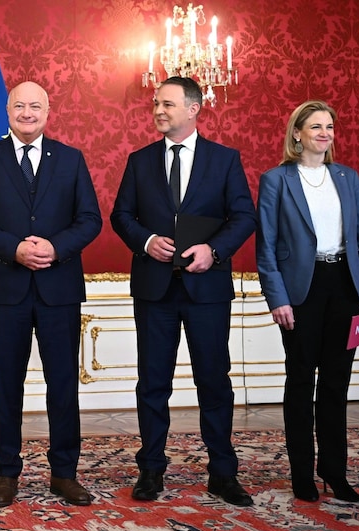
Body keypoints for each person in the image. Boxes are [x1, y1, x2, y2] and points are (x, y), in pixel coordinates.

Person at [110, 76, 257, 506]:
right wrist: (146, 241)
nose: (158, 110)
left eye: (168, 104)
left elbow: (244, 217)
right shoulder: (139, 161)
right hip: (154, 290)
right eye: (156, 104)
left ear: (193, 108)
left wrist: (214, 250)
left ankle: (223, 473)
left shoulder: (224, 160)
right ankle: (151, 470)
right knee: (152, 384)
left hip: (206, 289)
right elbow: (121, 216)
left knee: (214, 382)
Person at [0, 81, 102, 507]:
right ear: (7, 111)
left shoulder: (71, 160)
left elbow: (90, 219)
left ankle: (64, 473)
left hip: (59, 289)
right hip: (5, 288)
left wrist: (55, 248)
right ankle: (7, 473)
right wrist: (15, 249)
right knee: (7, 383)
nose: (27, 112)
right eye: (19, 105)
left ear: (47, 111)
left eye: (34, 106)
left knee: (63, 385)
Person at [255, 100, 359, 503]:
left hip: (344, 286)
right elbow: (267, 247)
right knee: (299, 383)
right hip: (300, 292)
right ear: (298, 133)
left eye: (329, 126)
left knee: (335, 384)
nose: (325, 133)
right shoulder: (276, 180)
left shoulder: (347, 177)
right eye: (316, 127)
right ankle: (301, 475)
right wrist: (278, 298)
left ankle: (334, 471)